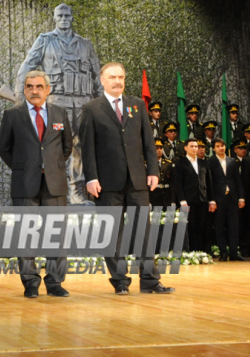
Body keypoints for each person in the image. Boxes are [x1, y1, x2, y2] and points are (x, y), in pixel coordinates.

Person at [79, 63, 173, 295]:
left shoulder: (138, 105)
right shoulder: (91, 108)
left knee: (144, 230)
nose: (117, 81)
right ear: (102, 80)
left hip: (137, 179)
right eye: (112, 77)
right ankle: (120, 281)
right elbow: (87, 148)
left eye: (121, 77)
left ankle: (150, 280)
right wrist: (91, 177)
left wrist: (153, 171)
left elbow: (148, 142)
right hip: (106, 182)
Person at [15, 4, 102, 205]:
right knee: (54, 148)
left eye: (67, 15)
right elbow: (25, 68)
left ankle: (77, 194)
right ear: (55, 18)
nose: (64, 18)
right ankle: (54, 194)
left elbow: (97, 76)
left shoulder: (85, 44)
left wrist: (100, 104)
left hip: (83, 103)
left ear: (72, 18)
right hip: (56, 102)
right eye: (60, 15)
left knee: (80, 147)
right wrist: (21, 98)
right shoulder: (45, 40)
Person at [0, 70, 73, 298]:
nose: (34, 90)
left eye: (39, 86)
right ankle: (30, 282)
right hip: (25, 183)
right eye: (30, 86)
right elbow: (4, 149)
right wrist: (23, 167)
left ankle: (55, 283)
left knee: (56, 235)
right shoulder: (12, 115)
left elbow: (67, 146)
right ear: (24, 90)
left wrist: (52, 166)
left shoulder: (60, 113)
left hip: (54, 183)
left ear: (47, 90)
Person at [207, 138, 247, 261]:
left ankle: (234, 252)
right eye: (218, 146)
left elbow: (238, 180)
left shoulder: (232, 161)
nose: (221, 148)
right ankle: (223, 252)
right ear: (213, 148)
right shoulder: (210, 162)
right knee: (219, 226)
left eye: (223, 145)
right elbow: (210, 182)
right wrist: (212, 200)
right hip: (219, 198)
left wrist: (241, 197)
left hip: (233, 197)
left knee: (234, 226)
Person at [173, 139, 214, 253]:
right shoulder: (180, 163)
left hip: (203, 199)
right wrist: (182, 201)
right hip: (188, 200)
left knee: (204, 226)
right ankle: (192, 251)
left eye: (196, 146)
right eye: (192, 146)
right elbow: (178, 184)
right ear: (186, 148)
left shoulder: (204, 163)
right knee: (191, 226)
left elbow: (209, 183)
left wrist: (212, 200)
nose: (195, 148)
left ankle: (203, 250)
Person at [149, 138, 175, 209]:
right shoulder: (148, 164)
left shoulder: (168, 164)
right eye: (157, 148)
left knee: (169, 219)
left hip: (167, 195)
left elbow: (172, 183)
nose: (159, 150)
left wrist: (173, 200)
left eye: (161, 148)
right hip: (154, 196)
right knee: (155, 219)